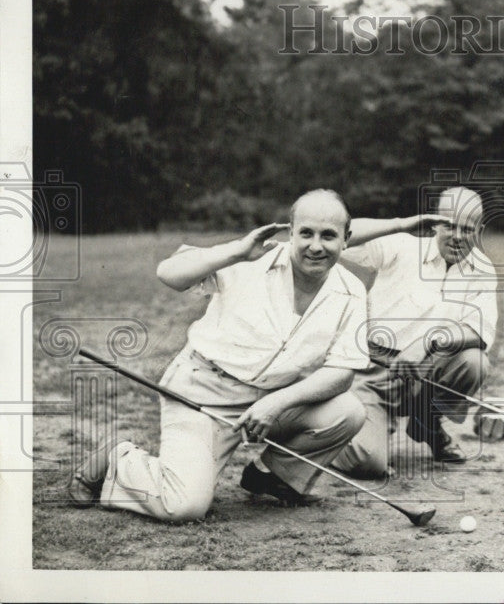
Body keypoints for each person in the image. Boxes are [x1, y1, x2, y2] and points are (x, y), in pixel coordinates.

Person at [68, 190, 369, 521]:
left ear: (346, 239)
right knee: (183, 505)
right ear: (290, 232)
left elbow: (342, 371)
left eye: (328, 235)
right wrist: (236, 252)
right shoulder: (251, 260)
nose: (316, 245)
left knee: (348, 412)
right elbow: (169, 273)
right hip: (202, 392)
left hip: (270, 399)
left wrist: (274, 403)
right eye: (306, 233)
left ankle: (274, 477)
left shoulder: (351, 290)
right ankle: (118, 460)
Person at [331, 186, 498, 477]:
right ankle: (357, 426)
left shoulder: (482, 268)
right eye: (449, 224)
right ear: (434, 222)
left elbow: (480, 331)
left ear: (480, 230)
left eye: (467, 229)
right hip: (374, 372)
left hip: (425, 369)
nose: (457, 236)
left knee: (474, 362)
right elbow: (340, 234)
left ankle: (426, 422)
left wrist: (427, 341)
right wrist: (402, 223)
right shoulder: (402, 245)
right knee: (367, 464)